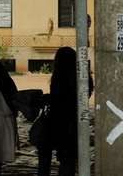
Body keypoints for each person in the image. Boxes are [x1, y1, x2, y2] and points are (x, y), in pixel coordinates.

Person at [37, 46, 93, 176]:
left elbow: (56, 99)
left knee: (44, 157)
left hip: (55, 121)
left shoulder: (58, 77)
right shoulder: (82, 78)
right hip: (72, 122)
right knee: (67, 160)